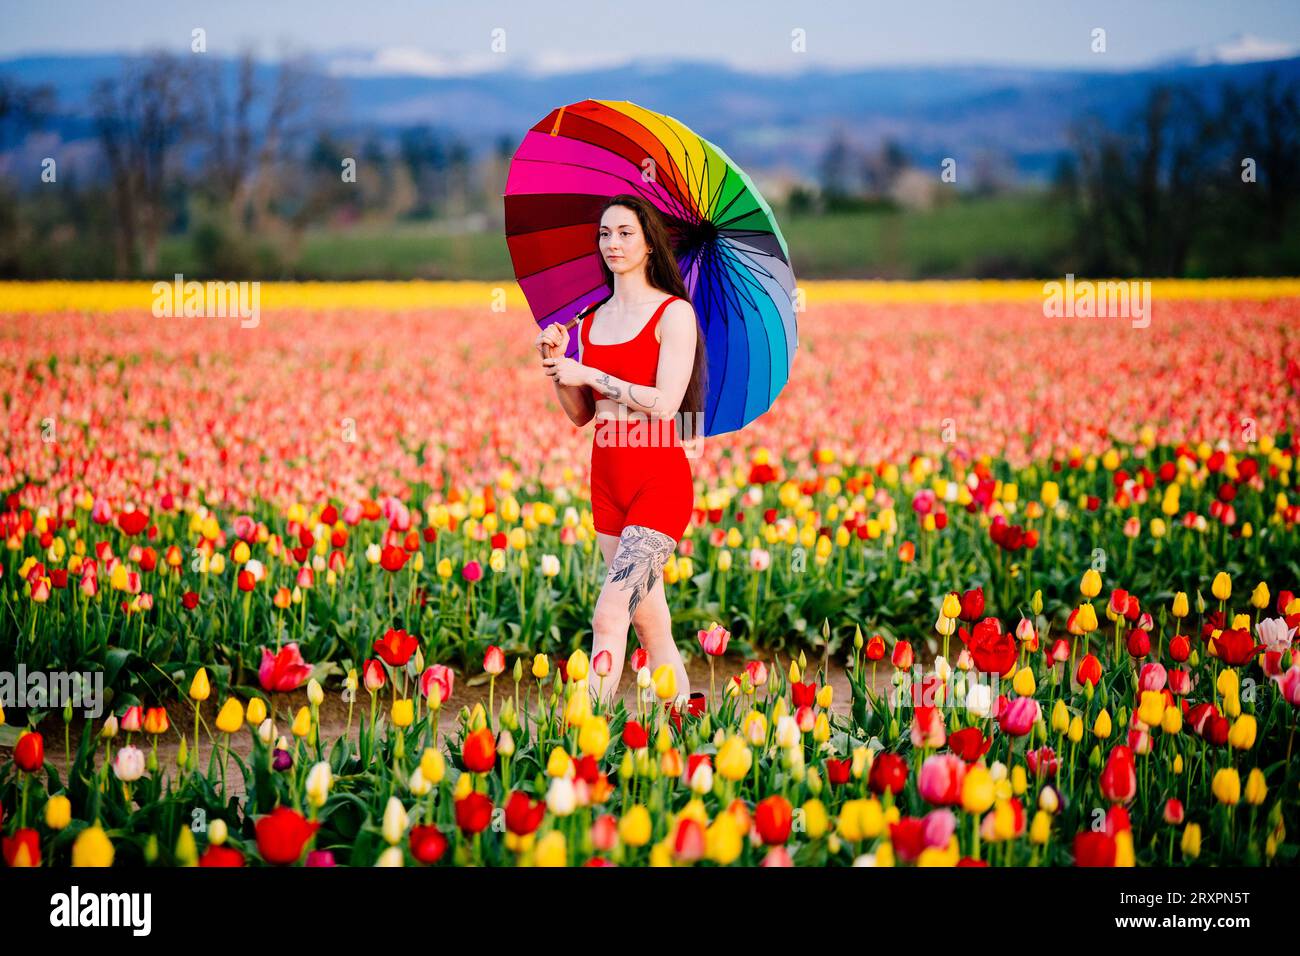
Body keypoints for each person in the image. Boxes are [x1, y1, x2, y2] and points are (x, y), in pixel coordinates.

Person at [534, 194, 709, 718]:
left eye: (625, 233)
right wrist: (558, 365)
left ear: (650, 242)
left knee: (609, 615)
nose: (612, 243)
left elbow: (665, 405)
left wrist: (589, 373)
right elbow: (580, 415)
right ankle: (686, 724)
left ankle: (587, 741)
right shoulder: (589, 322)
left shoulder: (673, 314)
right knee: (648, 622)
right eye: (605, 234)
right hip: (607, 477)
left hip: (658, 479)